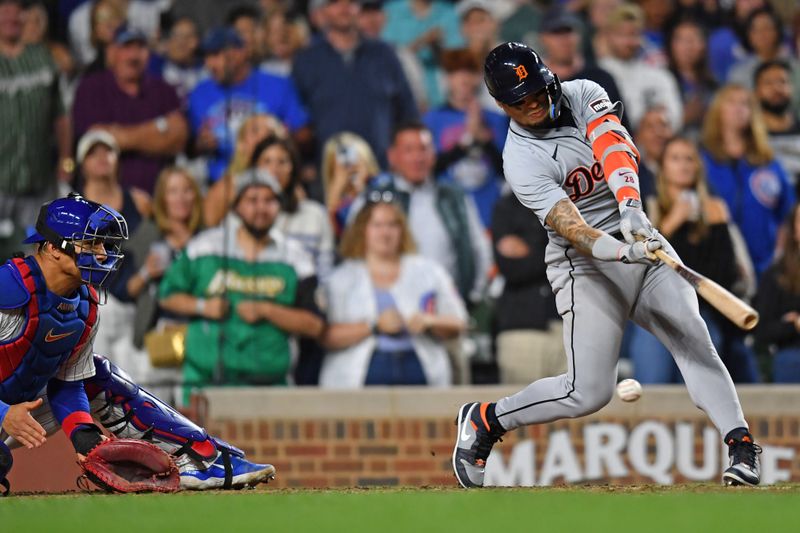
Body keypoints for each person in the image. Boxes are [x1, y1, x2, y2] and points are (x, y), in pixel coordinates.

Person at [452, 42, 762, 490]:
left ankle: (741, 445)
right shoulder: (520, 160)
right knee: (588, 392)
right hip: (584, 265)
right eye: (521, 100)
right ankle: (486, 419)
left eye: (538, 89)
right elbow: (572, 228)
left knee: (693, 337)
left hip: (639, 233)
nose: (535, 102)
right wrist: (618, 251)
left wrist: (631, 207)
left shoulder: (582, 92)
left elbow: (613, 147)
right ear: (502, 105)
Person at [0, 193, 275, 495]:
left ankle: (199, 458)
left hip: (19, 409)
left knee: (98, 374)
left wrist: (83, 435)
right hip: (8, 411)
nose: (102, 254)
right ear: (53, 248)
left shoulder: (84, 305)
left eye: (103, 244)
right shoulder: (8, 291)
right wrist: (4, 413)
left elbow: (67, 383)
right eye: (90, 244)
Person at [159, 170, 324, 393]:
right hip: (203, 385)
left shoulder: (296, 258)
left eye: (269, 200)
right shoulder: (205, 246)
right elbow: (166, 295)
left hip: (271, 388)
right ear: (237, 205)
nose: (261, 208)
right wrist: (203, 306)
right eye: (252, 200)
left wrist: (267, 310)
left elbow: (315, 325)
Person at [628, 136, 759, 383]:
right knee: (654, 387)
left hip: (701, 314)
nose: (684, 165)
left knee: (699, 394)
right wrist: (671, 224)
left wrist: (716, 224)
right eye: (675, 159)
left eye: (689, 159)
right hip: (656, 314)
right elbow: (637, 270)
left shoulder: (715, 210)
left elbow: (723, 274)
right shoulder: (645, 209)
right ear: (663, 167)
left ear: (698, 166)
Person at [320, 200, 467, 387]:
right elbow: (325, 336)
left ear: (402, 230)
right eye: (377, 225)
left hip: (419, 366)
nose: (385, 233)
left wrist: (430, 321)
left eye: (392, 225)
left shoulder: (429, 271)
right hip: (360, 373)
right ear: (362, 230)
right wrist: (374, 326)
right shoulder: (340, 277)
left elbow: (459, 322)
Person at [347, 121, 492, 303]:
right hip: (389, 306)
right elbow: (352, 251)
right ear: (392, 156)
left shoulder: (455, 198)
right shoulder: (372, 199)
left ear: (433, 154)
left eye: (424, 149)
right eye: (409, 150)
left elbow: (480, 248)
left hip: (449, 308)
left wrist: (474, 296)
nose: (418, 158)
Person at [291, 0, 418, 169]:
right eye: (335, 2)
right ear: (323, 10)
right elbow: (299, 124)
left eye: (351, 2)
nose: (344, 8)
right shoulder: (306, 60)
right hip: (327, 173)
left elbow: (407, 113)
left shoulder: (384, 55)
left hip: (381, 170)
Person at [72, 25, 189, 195]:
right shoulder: (91, 88)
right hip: (108, 202)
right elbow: (96, 139)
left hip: (158, 199)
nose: (133, 56)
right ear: (112, 52)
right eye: (126, 47)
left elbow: (179, 137)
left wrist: (120, 136)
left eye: (140, 48)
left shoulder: (163, 90)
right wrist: (157, 132)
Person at [188, 26, 309, 183]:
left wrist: (279, 136)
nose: (209, 63)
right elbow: (190, 148)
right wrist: (201, 145)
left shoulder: (277, 85)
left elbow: (304, 134)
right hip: (221, 183)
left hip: (272, 180)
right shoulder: (199, 93)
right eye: (206, 57)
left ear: (241, 52)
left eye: (216, 55)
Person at [0, 0, 72, 261]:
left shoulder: (42, 57)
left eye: (15, 9)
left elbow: (61, 115)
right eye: (3, 9)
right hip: (1, 179)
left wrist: (66, 159)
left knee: (35, 254)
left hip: (38, 180)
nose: (10, 15)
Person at [700, 84, 795, 276]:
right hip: (719, 265)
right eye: (731, 102)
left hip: (767, 267)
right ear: (718, 110)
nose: (738, 109)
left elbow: (788, 214)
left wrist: (780, 254)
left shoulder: (768, 162)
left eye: (745, 104)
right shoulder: (703, 160)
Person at [423, 49, 508, 228]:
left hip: (490, 213)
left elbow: (508, 172)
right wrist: (467, 140)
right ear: (446, 78)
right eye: (455, 72)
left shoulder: (496, 119)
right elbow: (429, 169)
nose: (463, 79)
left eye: (469, 72)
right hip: (448, 214)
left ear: (478, 77)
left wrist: (483, 138)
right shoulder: (431, 120)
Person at [491, 188, 564, 385]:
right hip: (523, 324)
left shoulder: (585, 200)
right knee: (521, 413)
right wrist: (565, 249)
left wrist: (532, 249)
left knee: (580, 414)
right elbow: (512, 268)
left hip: (575, 323)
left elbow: (592, 258)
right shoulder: (507, 206)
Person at [597, 3, 683, 133]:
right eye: (622, 35)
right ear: (609, 36)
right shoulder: (597, 73)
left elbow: (675, 118)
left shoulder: (658, 74)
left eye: (634, 34)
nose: (628, 42)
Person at [754, 203, 800, 382]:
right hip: (792, 353)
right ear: (794, 231)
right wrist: (795, 325)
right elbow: (762, 330)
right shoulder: (776, 275)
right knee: (790, 361)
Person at [320, 131, 382, 237]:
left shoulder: (382, 185)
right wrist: (336, 190)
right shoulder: (330, 200)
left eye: (354, 157)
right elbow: (330, 236)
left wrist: (363, 189)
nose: (350, 166)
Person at [753, 60, 800, 187]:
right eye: (768, 83)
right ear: (757, 91)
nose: (777, 88)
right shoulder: (750, 134)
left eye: (783, 82)